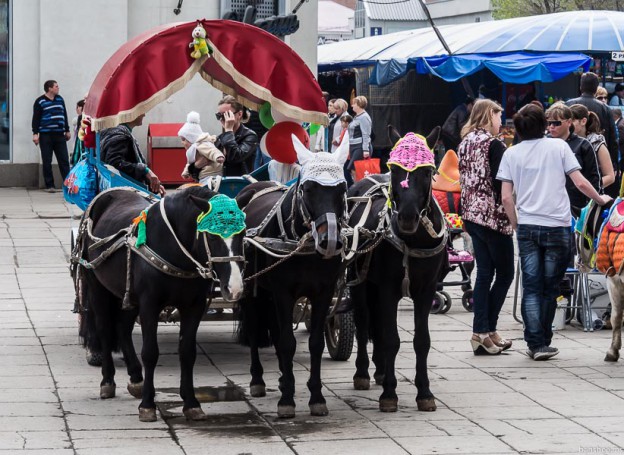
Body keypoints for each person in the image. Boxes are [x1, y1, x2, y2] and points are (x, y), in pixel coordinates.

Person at [497, 104, 612, 361]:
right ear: (542, 125)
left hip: (527, 227)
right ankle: (543, 340)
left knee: (531, 285)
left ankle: (535, 342)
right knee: (550, 287)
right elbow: (580, 182)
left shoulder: (511, 154)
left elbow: (506, 198)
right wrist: (600, 199)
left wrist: (517, 224)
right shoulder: (559, 147)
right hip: (558, 227)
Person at [457, 99, 514, 356]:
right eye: (499, 117)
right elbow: (502, 182)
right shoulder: (494, 144)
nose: (500, 122)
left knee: (484, 273)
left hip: (470, 214)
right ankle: (483, 329)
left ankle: (485, 332)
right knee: (505, 274)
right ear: (489, 115)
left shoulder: (465, 142)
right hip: (492, 216)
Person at [566, 72, 618, 197]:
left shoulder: (568, 105)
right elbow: (612, 138)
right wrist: (614, 164)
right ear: (596, 88)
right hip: (599, 159)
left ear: (580, 87)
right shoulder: (605, 108)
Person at [546, 102, 601, 217]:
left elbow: (593, 178)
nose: (551, 126)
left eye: (556, 123)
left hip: (576, 206)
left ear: (569, 122)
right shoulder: (543, 143)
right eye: (549, 123)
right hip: (547, 206)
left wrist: (594, 204)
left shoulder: (583, 145)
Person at [100, 113, 165, 196]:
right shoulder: (119, 135)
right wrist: (145, 171)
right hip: (125, 195)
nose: (144, 115)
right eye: (140, 111)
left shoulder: (119, 132)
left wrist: (151, 183)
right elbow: (115, 163)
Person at [203, 95, 258, 177]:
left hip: (241, 183)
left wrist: (229, 130)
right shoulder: (220, 138)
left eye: (226, 115)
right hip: (221, 183)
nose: (222, 119)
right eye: (219, 115)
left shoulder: (250, 136)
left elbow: (235, 157)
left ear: (239, 114)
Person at [32, 80, 71, 192]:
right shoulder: (40, 101)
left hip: (59, 134)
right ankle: (50, 185)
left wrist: (67, 130)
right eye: (56, 86)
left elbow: (64, 115)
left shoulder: (60, 99)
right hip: (46, 135)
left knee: (64, 160)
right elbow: (36, 118)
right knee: (47, 160)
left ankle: (68, 184)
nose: (58, 88)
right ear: (49, 88)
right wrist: (35, 134)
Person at [570, 104, 615, 191]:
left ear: (583, 121)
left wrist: (587, 187)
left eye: (572, 121)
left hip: (590, 198)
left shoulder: (596, 142)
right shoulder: (565, 140)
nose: (569, 124)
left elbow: (610, 176)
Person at [178, 111, 224, 185]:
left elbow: (212, 151)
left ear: (191, 139)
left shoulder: (202, 145)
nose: (182, 143)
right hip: (203, 175)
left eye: (183, 139)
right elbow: (189, 163)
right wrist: (186, 172)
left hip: (212, 173)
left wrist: (218, 156)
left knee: (206, 186)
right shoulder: (192, 151)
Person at [347, 95, 373, 185]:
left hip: (360, 146)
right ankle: (358, 186)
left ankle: (358, 187)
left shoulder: (364, 117)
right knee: (353, 168)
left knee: (354, 168)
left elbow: (366, 134)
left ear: (359, 105)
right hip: (354, 146)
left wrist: (365, 150)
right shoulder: (357, 116)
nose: (352, 106)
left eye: (354, 104)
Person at [70, 99, 85, 166]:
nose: (76, 109)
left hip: (81, 145)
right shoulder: (78, 119)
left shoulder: (81, 118)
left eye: (78, 107)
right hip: (78, 143)